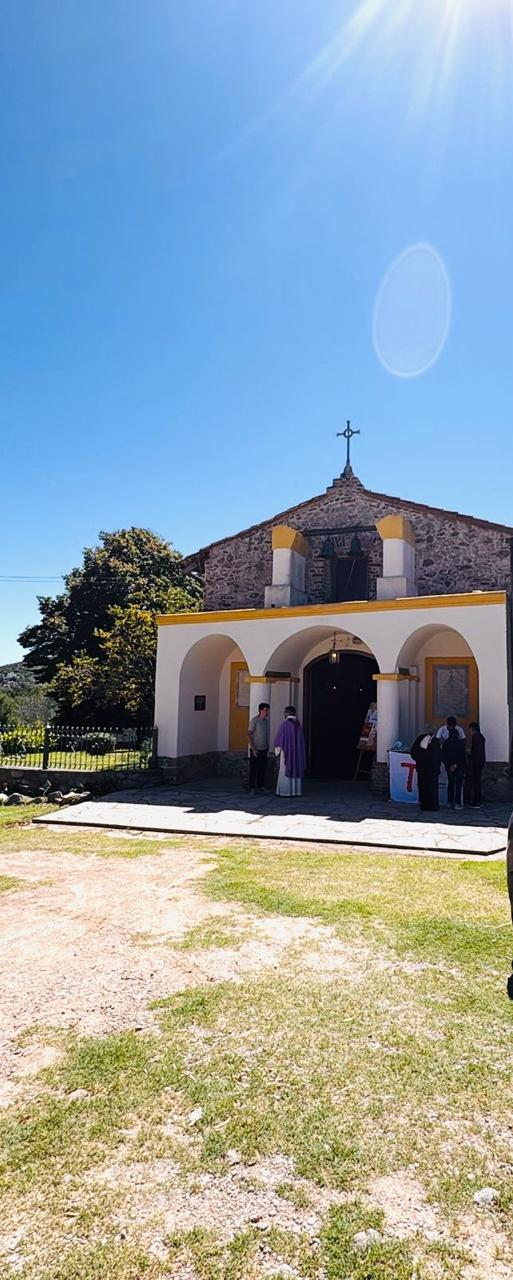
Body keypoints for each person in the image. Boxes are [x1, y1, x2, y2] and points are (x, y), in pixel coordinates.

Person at [274, 706, 306, 797]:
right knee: (296, 767)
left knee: (285, 769)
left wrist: (277, 751)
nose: (284, 714)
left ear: (288, 713)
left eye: (285, 712)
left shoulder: (285, 725)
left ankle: (285, 792)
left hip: (286, 753)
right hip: (297, 754)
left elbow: (279, 741)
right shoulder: (298, 725)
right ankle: (296, 791)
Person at [410, 730, 441, 812]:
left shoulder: (422, 739)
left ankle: (425, 805)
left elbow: (413, 752)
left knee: (425, 786)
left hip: (424, 768)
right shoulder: (435, 741)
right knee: (431, 787)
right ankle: (432, 806)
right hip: (430, 769)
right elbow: (438, 756)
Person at [442, 724, 467, 809]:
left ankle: (449, 802)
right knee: (458, 784)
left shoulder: (446, 743)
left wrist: (448, 765)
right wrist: (456, 765)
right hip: (459, 766)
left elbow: (443, 756)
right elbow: (462, 755)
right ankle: (457, 803)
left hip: (449, 767)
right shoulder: (460, 743)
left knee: (451, 783)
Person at [248, 702, 270, 795]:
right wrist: (253, 748)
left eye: (268, 710)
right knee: (253, 769)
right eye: (266, 710)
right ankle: (252, 787)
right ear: (261, 710)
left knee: (262, 768)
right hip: (255, 749)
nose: (267, 712)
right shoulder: (254, 720)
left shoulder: (266, 721)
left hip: (264, 749)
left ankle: (261, 786)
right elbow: (249, 734)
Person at [468, 721, 486, 808]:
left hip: (476, 762)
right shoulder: (481, 736)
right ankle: (478, 799)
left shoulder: (476, 737)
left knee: (476, 781)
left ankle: (476, 800)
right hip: (480, 761)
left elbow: (476, 751)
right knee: (477, 781)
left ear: (472, 729)